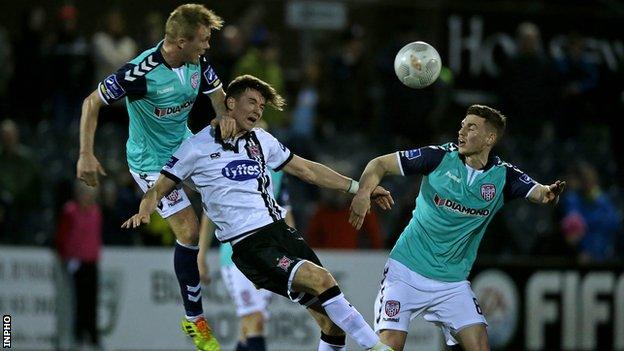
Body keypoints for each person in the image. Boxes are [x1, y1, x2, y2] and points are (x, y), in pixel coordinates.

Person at [122, 75, 395, 351]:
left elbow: (308, 170)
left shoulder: (262, 140)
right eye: (251, 102)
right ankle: (377, 347)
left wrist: (361, 188)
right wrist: (145, 209)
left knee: (331, 324)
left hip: (281, 233)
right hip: (251, 245)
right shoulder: (196, 147)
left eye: (262, 106)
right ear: (229, 103)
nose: (257, 110)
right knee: (321, 280)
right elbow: (159, 187)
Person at [76, 4, 236, 350]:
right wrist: (86, 153)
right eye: (203, 40)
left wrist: (224, 117)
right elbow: (91, 103)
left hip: (186, 148)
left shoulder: (198, 63)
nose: (208, 47)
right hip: (150, 162)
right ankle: (195, 321)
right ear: (180, 41)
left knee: (231, 191)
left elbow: (219, 99)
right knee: (189, 231)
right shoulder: (140, 72)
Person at [349, 105, 566, 351]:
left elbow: (539, 192)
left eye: (471, 127)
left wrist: (548, 193)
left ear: (490, 138)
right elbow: (379, 164)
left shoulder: (503, 177)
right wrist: (363, 192)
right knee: (389, 347)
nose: (461, 131)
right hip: (406, 272)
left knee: (481, 346)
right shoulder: (437, 157)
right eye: (462, 125)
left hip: (452, 283)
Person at [198, 167, 294, 351]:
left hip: (269, 258)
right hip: (235, 257)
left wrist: (295, 253)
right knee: (255, 320)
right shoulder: (226, 165)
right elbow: (210, 214)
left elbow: (286, 215)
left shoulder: (276, 168)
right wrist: (200, 256)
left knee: (249, 328)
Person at [55, 181, 103, 351]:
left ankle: (92, 337)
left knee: (91, 302)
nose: (88, 197)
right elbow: (61, 237)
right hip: (74, 264)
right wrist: (67, 258)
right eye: (84, 193)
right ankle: (76, 337)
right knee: (75, 303)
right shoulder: (70, 211)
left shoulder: (96, 211)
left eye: (90, 194)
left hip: (92, 263)